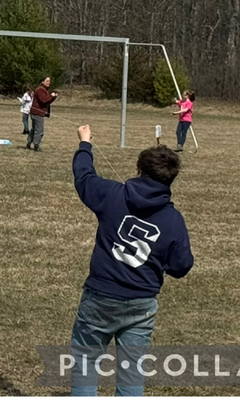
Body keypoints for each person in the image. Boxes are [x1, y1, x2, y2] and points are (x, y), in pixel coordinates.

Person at [68, 124, 194, 397]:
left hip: (100, 299)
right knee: (131, 370)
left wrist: (85, 143)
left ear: (138, 170)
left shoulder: (112, 195)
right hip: (141, 304)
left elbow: (84, 176)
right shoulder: (173, 221)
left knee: (86, 363)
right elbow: (181, 266)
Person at [26, 76, 58, 151]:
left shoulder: (44, 90)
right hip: (37, 113)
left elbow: (47, 102)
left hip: (37, 112)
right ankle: (36, 145)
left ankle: (29, 143)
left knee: (34, 129)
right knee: (39, 130)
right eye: (47, 81)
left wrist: (53, 97)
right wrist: (51, 96)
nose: (48, 83)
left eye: (49, 81)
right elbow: (43, 100)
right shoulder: (40, 90)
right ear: (42, 82)